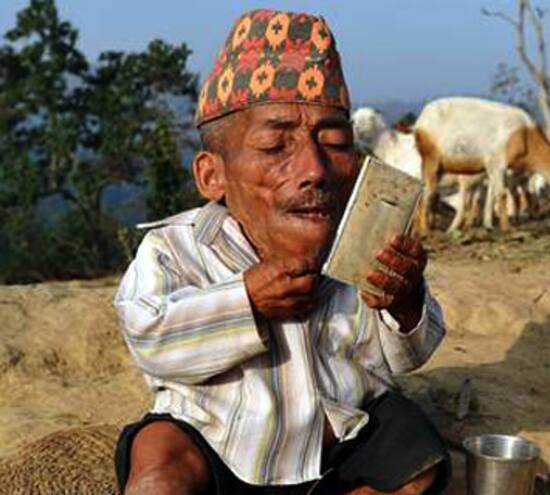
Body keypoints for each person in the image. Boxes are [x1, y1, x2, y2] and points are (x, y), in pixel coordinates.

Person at [113, 9, 448, 495]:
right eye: (275, 146)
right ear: (213, 175)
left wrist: (404, 302)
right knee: (160, 457)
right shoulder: (175, 248)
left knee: (417, 458)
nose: (314, 168)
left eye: (333, 141)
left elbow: (402, 358)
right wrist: (243, 303)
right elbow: (149, 339)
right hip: (217, 436)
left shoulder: (362, 240)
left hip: (333, 440)